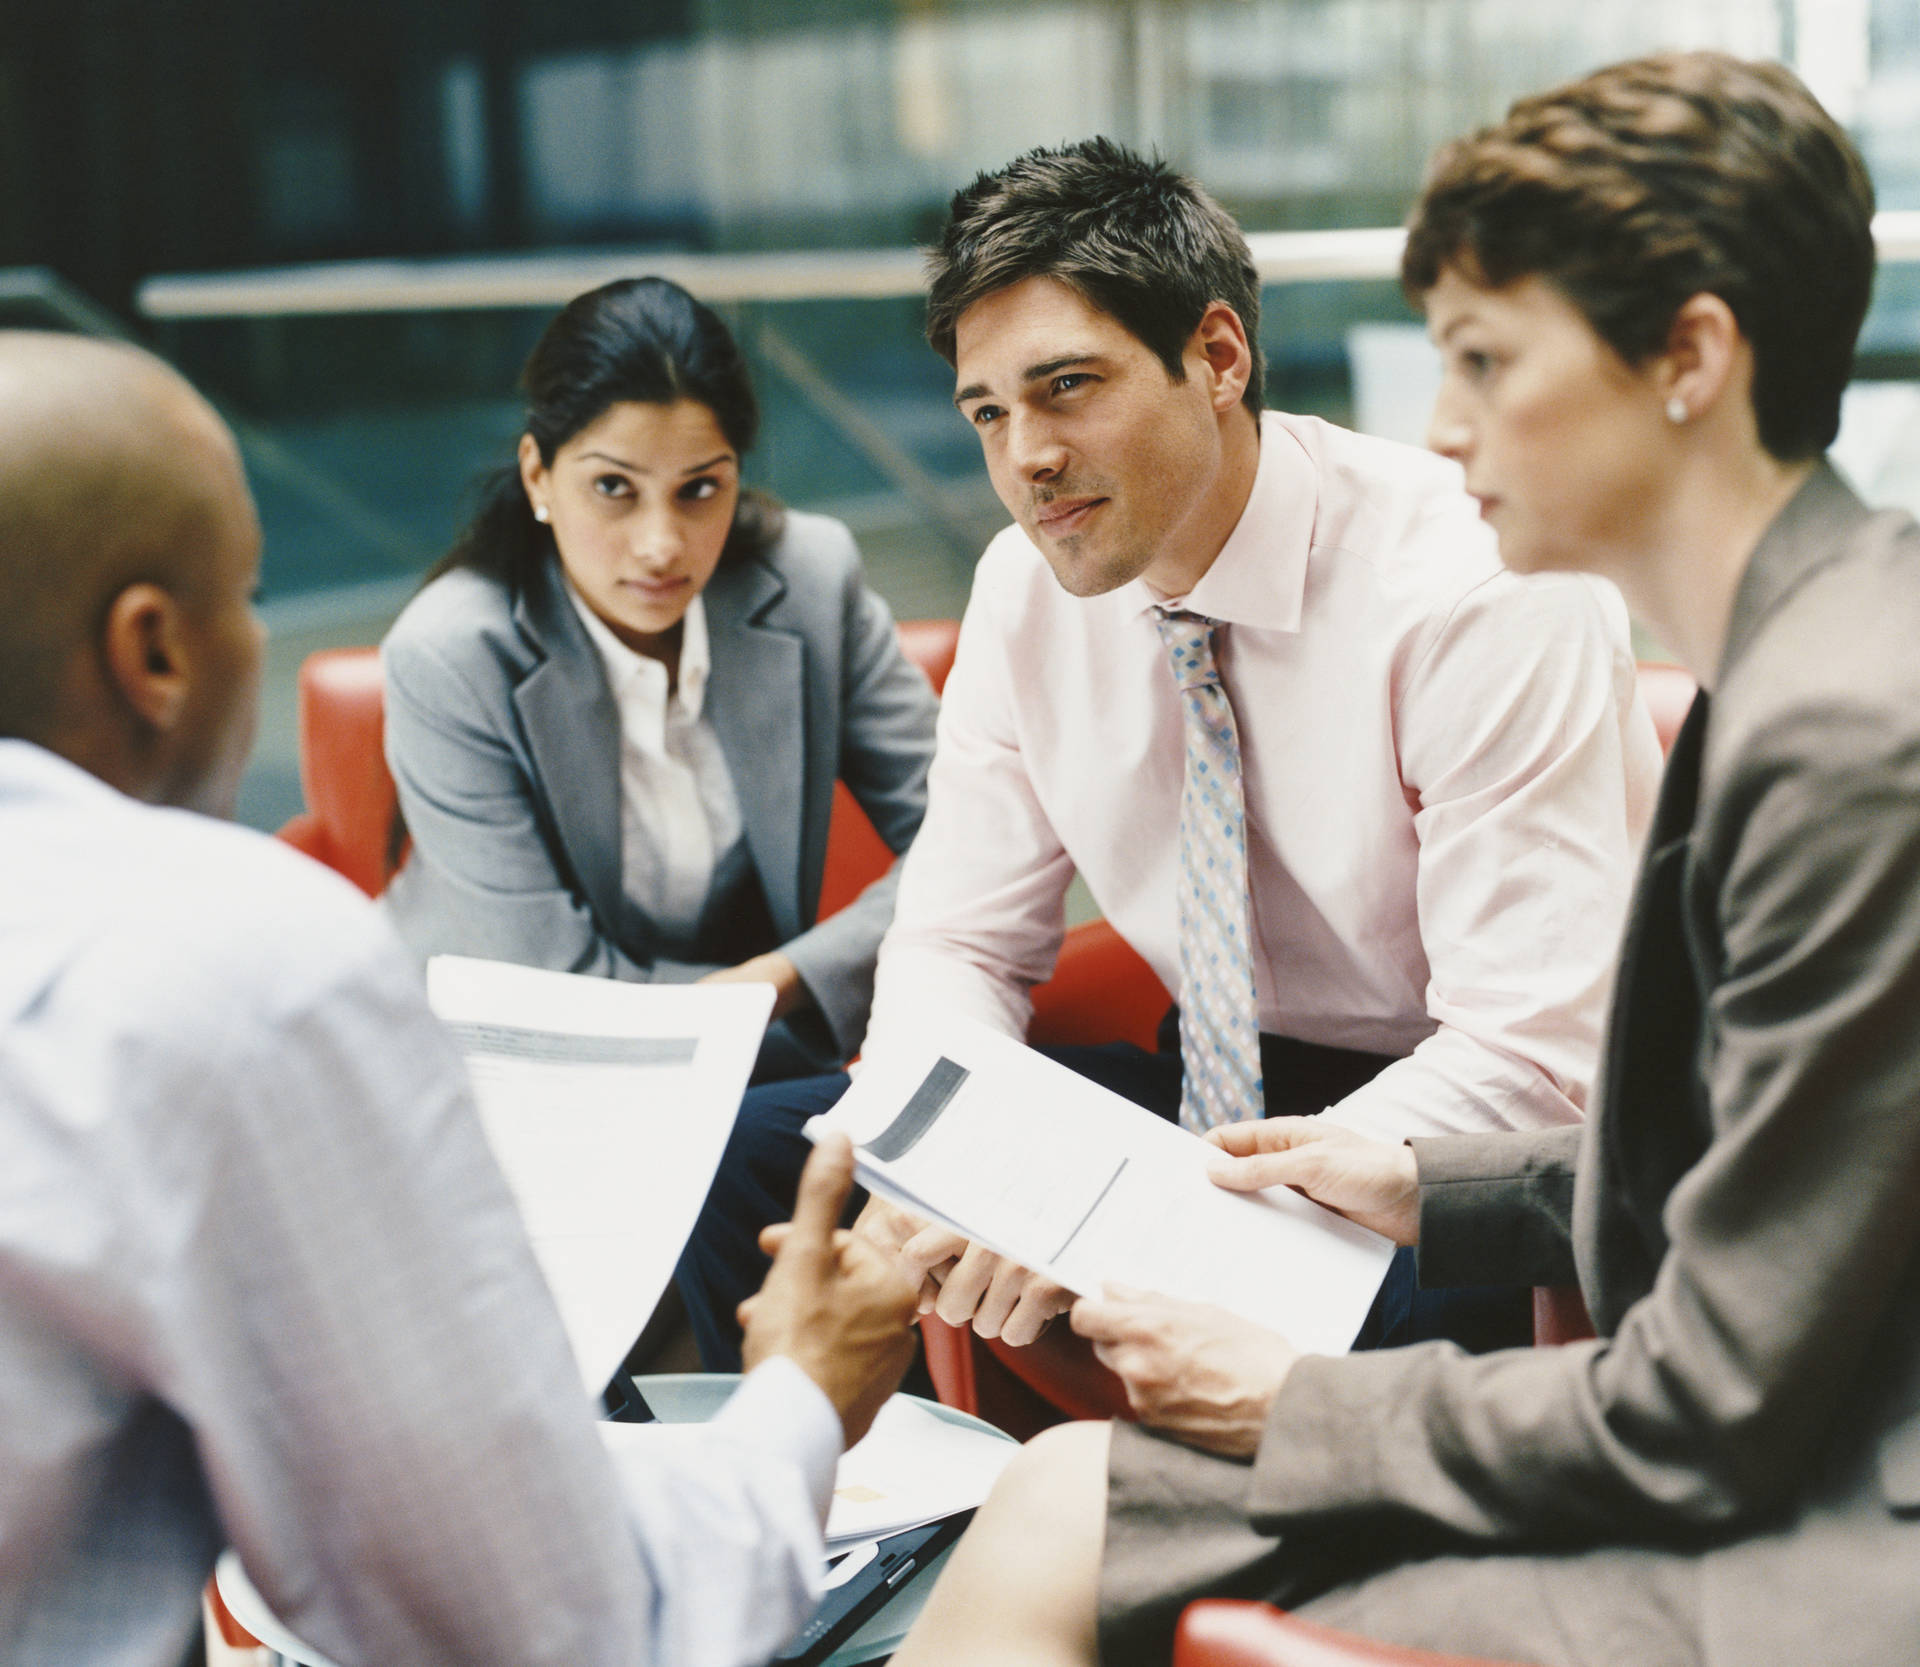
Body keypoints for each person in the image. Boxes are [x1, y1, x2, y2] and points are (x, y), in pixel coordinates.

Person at [892, 50, 1919, 1667]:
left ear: (1687, 359)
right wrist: (1426, 1184)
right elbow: (1777, 1176)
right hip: (1738, 1414)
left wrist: (1300, 1403)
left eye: (1482, 360)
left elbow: (1706, 1409)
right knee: (1057, 1505)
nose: (1436, 425)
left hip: (1828, 1516)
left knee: (1068, 1527)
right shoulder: (1810, 654)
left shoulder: (1846, 732)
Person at [0, 328, 919, 1667]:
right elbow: (544, 1622)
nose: (660, 537)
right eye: (246, 597)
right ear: (155, 651)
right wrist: (802, 1399)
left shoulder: (807, 580)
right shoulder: (222, 953)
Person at [685, 137, 1661, 1366]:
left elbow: (1529, 1059)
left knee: (1341, 1317)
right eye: (988, 411)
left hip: (1455, 1133)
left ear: (1215, 355)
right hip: (1214, 1082)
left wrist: (1145, 1218)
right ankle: (848, 1525)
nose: (1022, 457)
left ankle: (1138, 1533)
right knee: (747, 1159)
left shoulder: (1475, 586)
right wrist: (940, 1166)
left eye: (1066, 388)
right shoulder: (1022, 593)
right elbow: (959, 943)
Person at [380, 276, 939, 1085]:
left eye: (699, 489)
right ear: (538, 475)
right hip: (489, 1071)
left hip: (743, 1057)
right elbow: (554, 986)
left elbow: (969, 840)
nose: (661, 544)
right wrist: (769, 1012)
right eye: (614, 488)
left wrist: (777, 979)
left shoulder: (811, 581)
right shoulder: (450, 654)